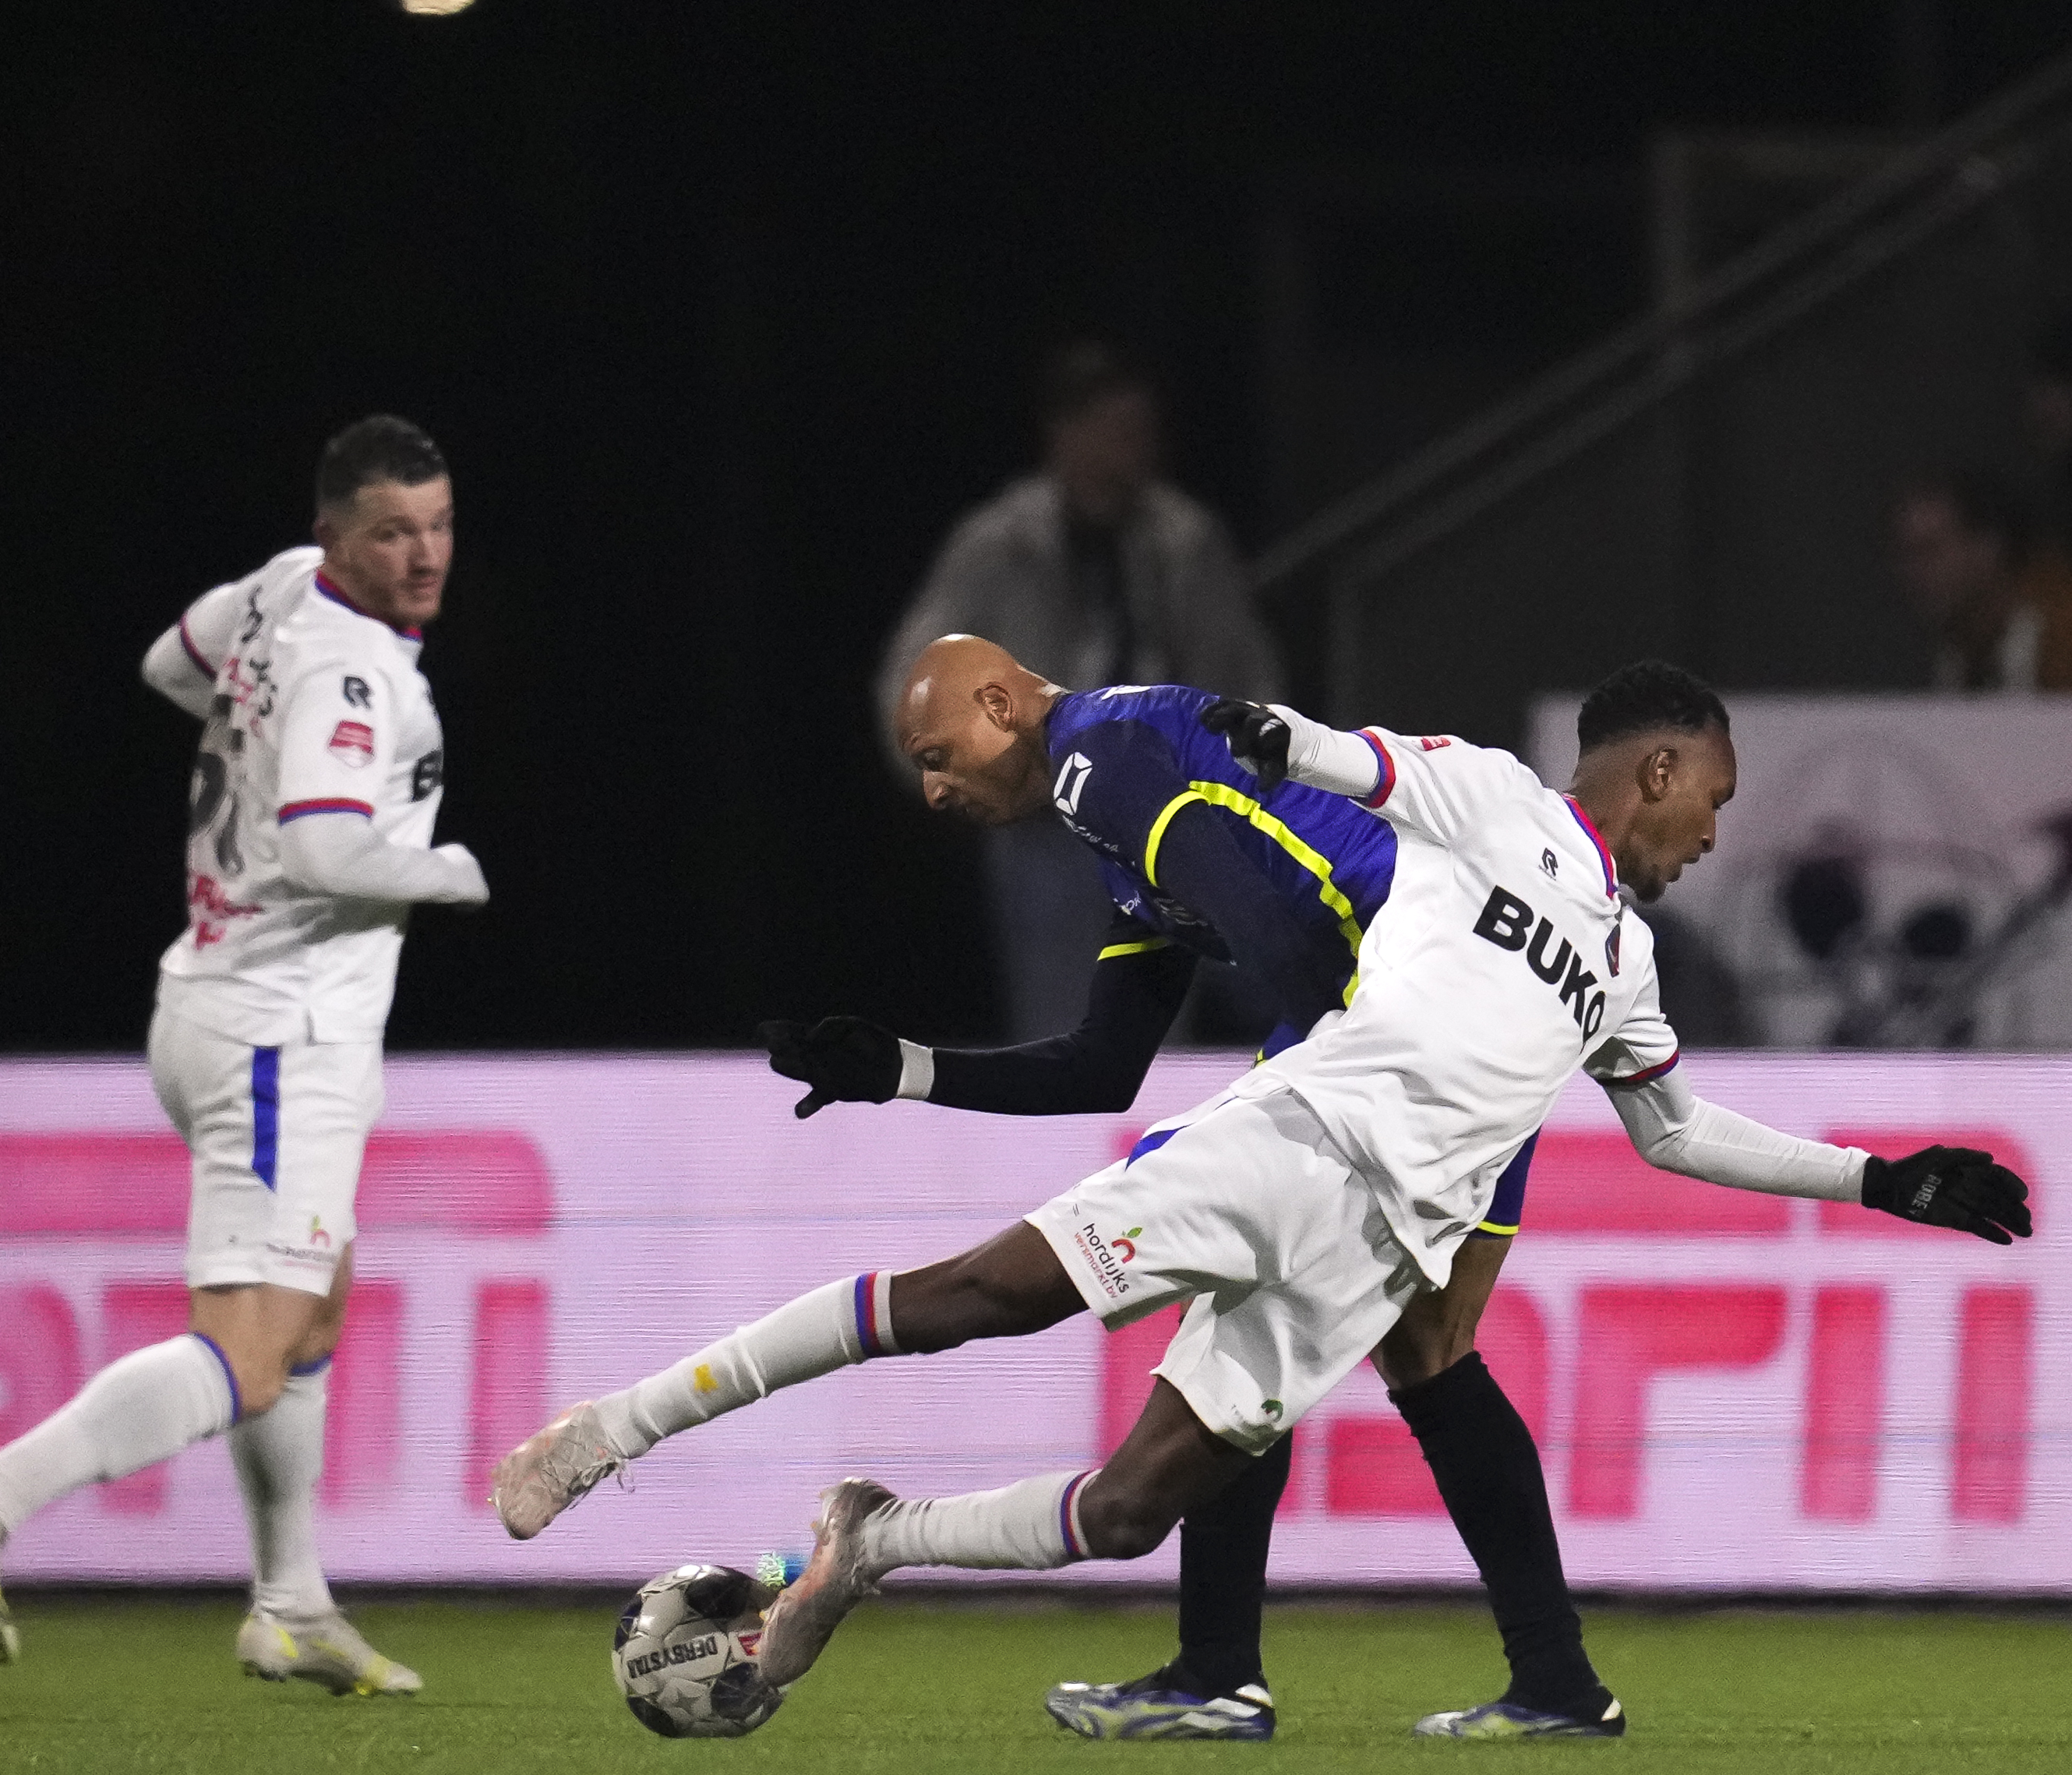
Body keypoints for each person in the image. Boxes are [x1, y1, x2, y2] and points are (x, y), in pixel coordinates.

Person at [493, 659, 2028, 1736]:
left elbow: (1677, 1129)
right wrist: (1276, 738)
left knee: (1124, 1507)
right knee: (985, 1292)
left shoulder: (1620, 963)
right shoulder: (1488, 798)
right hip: (1299, 1127)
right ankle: (614, 1425)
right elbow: (1350, 762)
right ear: (1657, 767)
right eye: (1717, 794)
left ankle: (874, 1538)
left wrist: (1876, 1176)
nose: (1717, 827)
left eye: (941, 758)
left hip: (1374, 1233)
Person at [746, 634, 1587, 1738]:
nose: (932, 787)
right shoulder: (1119, 816)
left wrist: (1290, 1113)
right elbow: (1101, 1063)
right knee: (1425, 1352)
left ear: (1002, 701)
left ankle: (1223, 1674)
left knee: (1339, 1322)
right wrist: (901, 1071)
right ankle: (1533, 1685)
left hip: (1423, 1022)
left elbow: (1282, 931)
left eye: (939, 752)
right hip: (1445, 1023)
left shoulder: (1101, 759)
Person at [0, 415, 485, 1696]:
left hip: (214, 995)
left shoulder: (282, 585)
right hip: (282, 1035)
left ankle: (290, 1602)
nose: (425, 553)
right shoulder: (352, 672)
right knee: (253, 1343)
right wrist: (445, 871)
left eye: (438, 523)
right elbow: (330, 849)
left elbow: (173, 662)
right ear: (342, 533)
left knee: (313, 1303)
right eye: (394, 531)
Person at [877, 344, 1281, 1039]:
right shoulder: (1001, 544)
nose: (1137, 450)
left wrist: (1243, 775)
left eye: (1144, 433)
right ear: (1066, 434)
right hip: (1047, 820)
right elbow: (912, 672)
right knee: (1062, 1026)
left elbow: (1245, 675)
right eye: (1118, 432)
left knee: (1166, 1024)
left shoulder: (1183, 541)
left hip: (1166, 808)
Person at [1887, 470, 2070, 691]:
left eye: (1931, 550)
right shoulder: (1955, 656)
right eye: (1907, 555)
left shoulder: (2059, 637)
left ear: (1988, 546)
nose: (1914, 571)